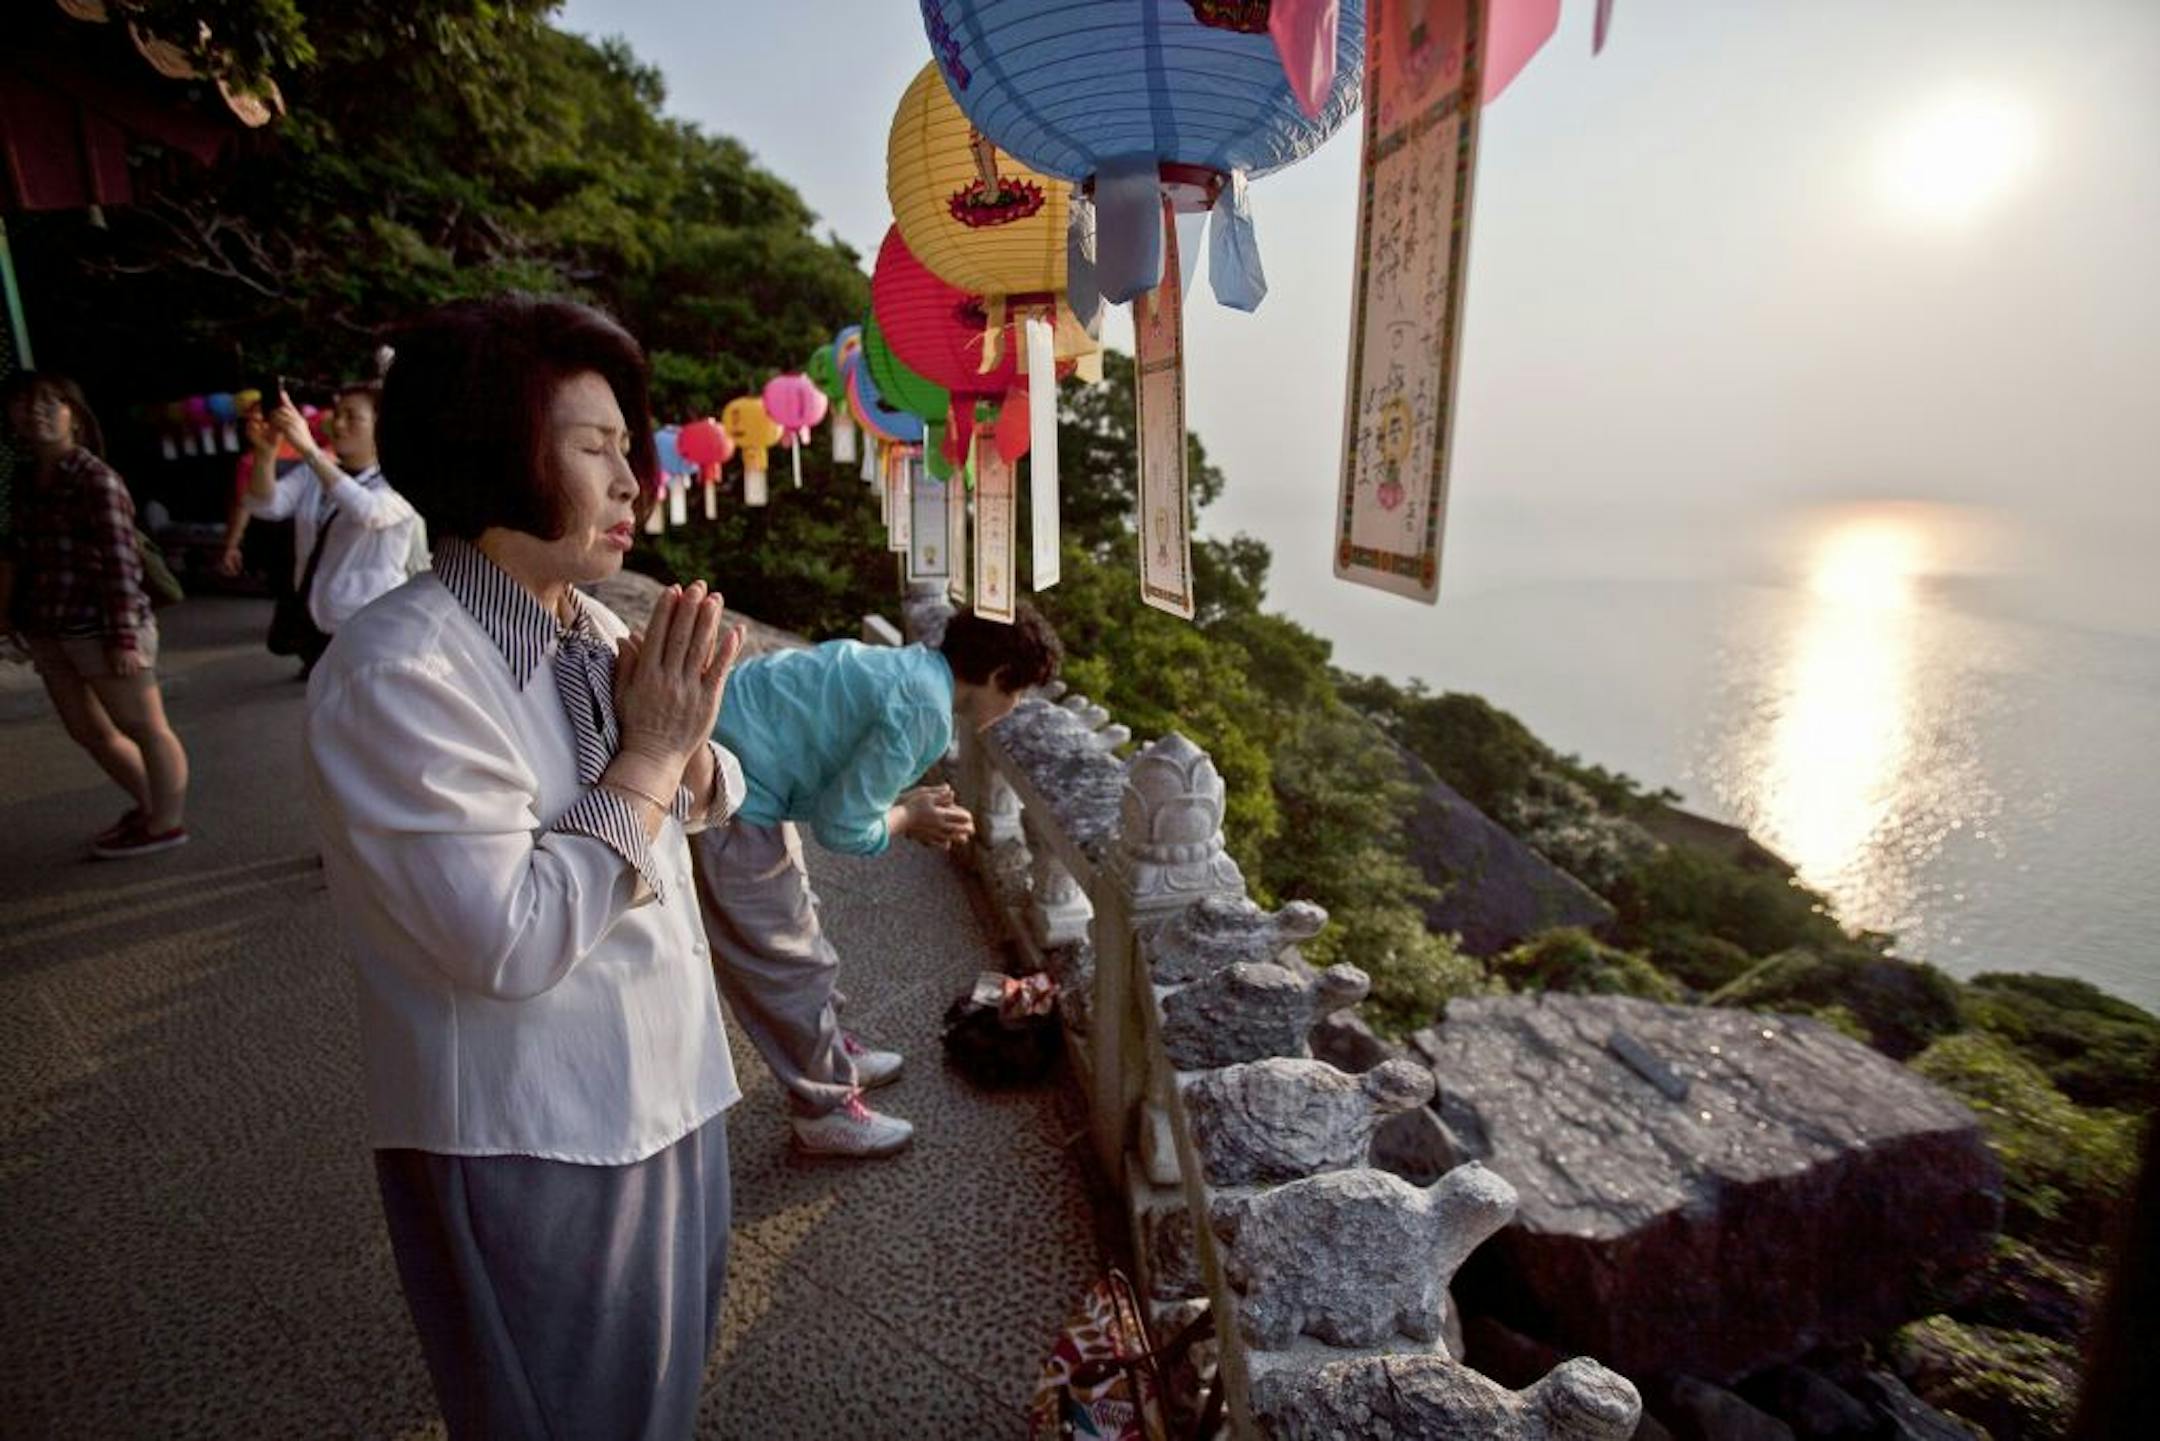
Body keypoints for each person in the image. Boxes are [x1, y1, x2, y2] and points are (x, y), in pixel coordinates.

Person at [305, 295, 747, 1440]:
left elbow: (699, 787)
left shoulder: (587, 625)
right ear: (490, 448)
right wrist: (653, 751)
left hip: (670, 1088)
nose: (633, 481)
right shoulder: (398, 671)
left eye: (628, 448)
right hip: (529, 1128)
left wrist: (681, 749)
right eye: (596, 449)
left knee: (656, 1406)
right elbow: (507, 937)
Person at [693, 602, 1062, 1158]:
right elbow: (844, 829)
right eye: (1018, 694)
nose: (1013, 709)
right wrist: (909, 818)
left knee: (800, 930)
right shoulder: (927, 713)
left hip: (738, 771)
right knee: (783, 963)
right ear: (998, 678)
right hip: (725, 795)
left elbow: (845, 783)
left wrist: (904, 803)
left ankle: (830, 1054)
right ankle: (825, 1109)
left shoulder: (911, 668)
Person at [1, 372, 192, 858]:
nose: (36, 412)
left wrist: (124, 637)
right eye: (24, 404)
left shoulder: (95, 478)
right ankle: (151, 807)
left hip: (103, 627)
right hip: (49, 626)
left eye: (50, 403)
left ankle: (166, 824)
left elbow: (120, 562)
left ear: (75, 416)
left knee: (145, 727)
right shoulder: (25, 480)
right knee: (88, 731)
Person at [241, 379, 425, 675]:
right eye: (337, 414)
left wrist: (310, 450)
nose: (339, 425)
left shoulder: (401, 480)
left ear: (382, 425)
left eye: (352, 417)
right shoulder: (314, 475)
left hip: (372, 621)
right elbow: (265, 506)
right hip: (316, 615)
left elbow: (370, 512)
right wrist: (265, 454)